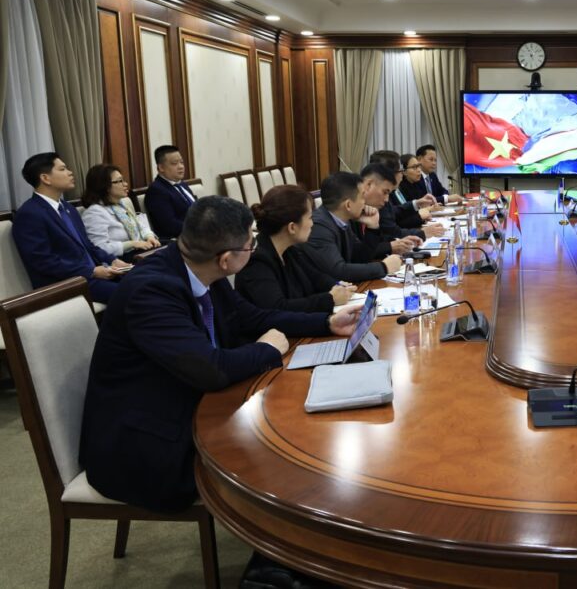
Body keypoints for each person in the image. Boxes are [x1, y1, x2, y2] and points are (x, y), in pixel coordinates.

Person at [78, 195, 366, 514]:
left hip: (189, 402)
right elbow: (210, 370)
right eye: (251, 245)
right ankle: (282, 538)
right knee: (288, 455)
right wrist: (266, 349)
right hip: (145, 444)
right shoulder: (151, 292)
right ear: (227, 260)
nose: (254, 248)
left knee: (301, 426)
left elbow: (251, 317)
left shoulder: (200, 266)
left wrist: (326, 322)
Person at [12, 153, 132, 304]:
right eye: (62, 169)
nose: (70, 173)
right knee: (134, 294)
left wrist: (112, 260)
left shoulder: (68, 208)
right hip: (65, 284)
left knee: (145, 281)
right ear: (45, 178)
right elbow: (43, 261)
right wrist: (91, 271)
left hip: (92, 274)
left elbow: (87, 245)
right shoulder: (30, 214)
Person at [235, 184, 357, 313]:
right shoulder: (257, 261)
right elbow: (278, 308)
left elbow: (316, 277)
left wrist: (338, 286)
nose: (312, 223)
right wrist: (330, 299)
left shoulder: (290, 249)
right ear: (292, 227)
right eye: (309, 218)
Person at [302, 171, 405, 282]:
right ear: (348, 205)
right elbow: (339, 271)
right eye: (362, 197)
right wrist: (384, 267)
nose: (364, 202)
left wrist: (372, 227)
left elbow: (359, 257)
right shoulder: (319, 227)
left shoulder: (342, 220)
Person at [81, 164, 161, 260]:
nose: (125, 184)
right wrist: (132, 244)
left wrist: (149, 237)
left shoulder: (120, 204)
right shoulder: (94, 213)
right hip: (121, 259)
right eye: (119, 181)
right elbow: (99, 248)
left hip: (140, 252)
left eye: (123, 180)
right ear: (105, 186)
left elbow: (140, 226)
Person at [145, 144, 197, 240]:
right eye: (174, 163)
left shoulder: (182, 184)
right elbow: (170, 225)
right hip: (181, 239)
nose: (181, 166)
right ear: (161, 168)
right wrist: (199, 228)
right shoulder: (157, 191)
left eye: (182, 162)